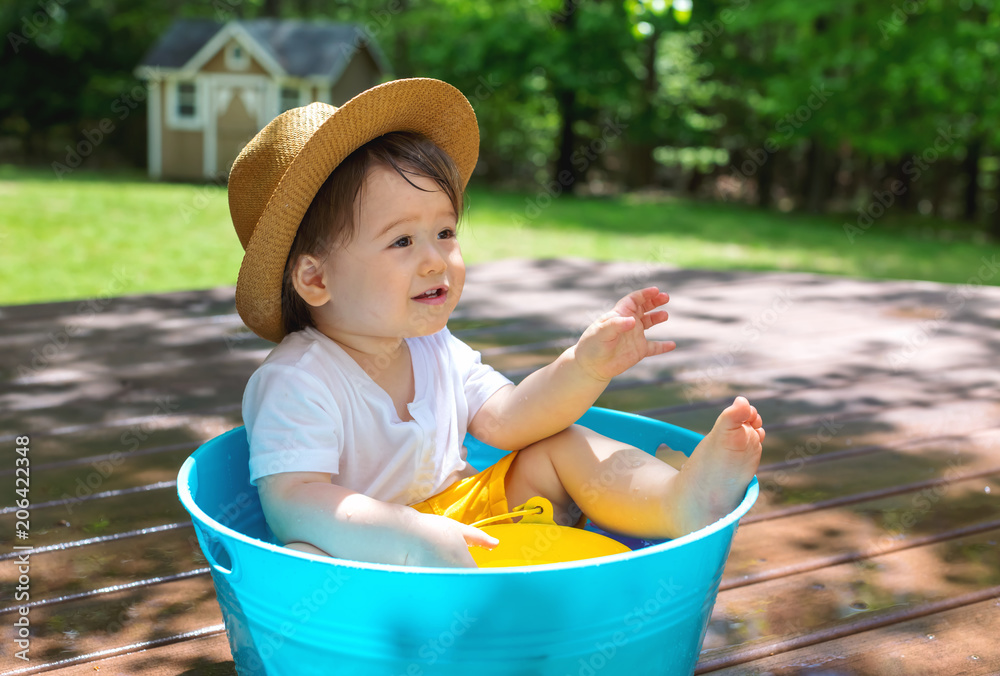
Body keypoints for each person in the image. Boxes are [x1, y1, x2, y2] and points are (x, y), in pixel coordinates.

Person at [229, 78, 764, 568]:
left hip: (463, 522)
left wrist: (584, 367)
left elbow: (509, 420)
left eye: (444, 232)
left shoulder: (433, 344)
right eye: (401, 241)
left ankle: (678, 502)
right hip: (371, 556)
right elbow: (293, 502)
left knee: (562, 445)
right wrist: (410, 534)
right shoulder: (298, 379)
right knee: (301, 555)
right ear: (316, 279)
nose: (437, 260)